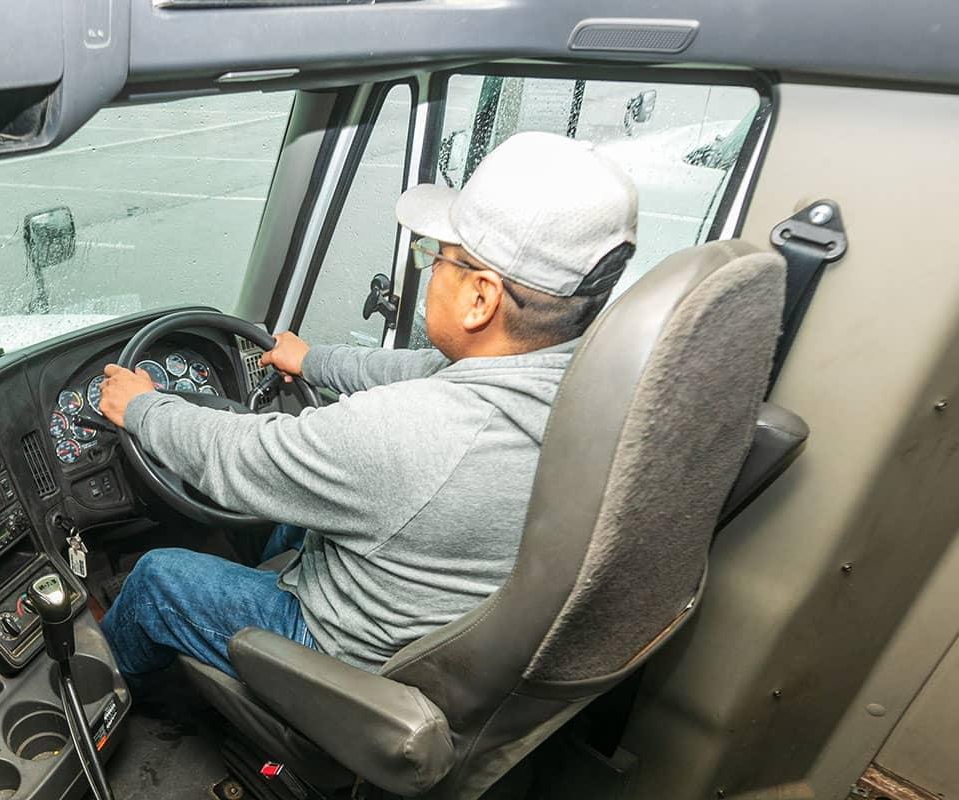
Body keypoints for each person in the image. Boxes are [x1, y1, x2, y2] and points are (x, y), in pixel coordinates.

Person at [96, 131, 639, 690]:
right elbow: (423, 368)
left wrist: (142, 408)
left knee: (158, 577)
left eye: (438, 258)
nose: (429, 270)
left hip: (343, 653)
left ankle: (106, 695)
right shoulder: (598, 386)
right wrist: (312, 361)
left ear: (480, 298)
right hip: (441, 623)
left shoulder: (414, 433)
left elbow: (238, 457)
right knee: (289, 514)